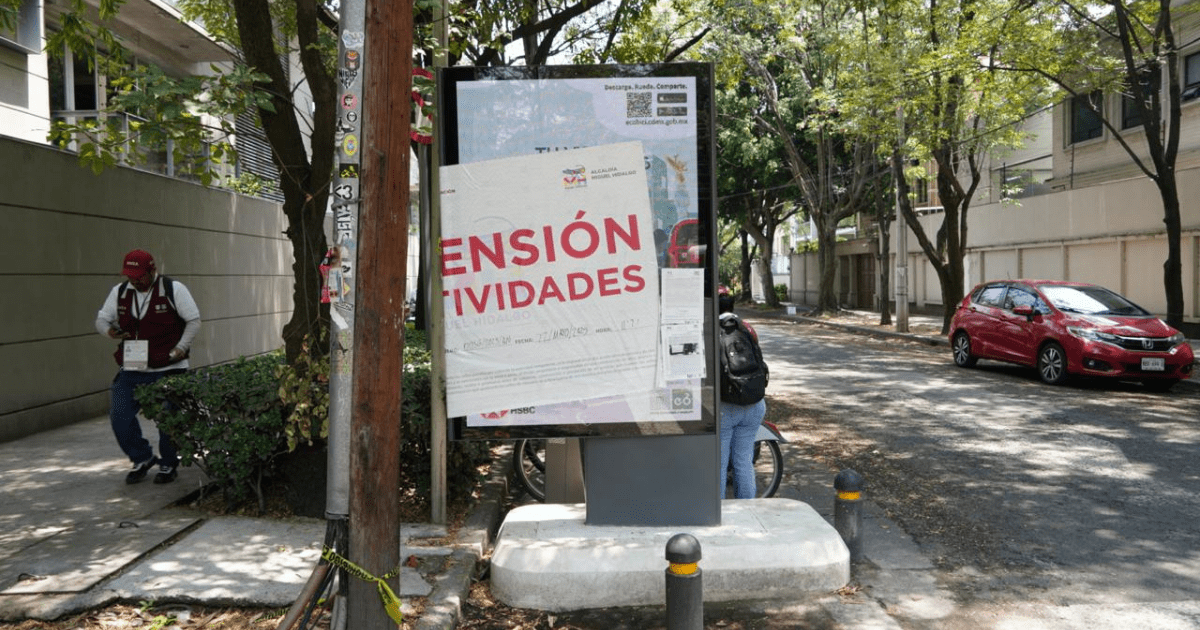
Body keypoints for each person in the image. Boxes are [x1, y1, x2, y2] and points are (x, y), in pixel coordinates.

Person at [95, 250, 201, 484]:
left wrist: (181, 347)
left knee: (168, 419)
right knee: (120, 416)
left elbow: (193, 320)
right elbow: (102, 319)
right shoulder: (120, 292)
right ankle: (142, 458)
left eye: (140, 275)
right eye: (130, 275)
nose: (134, 280)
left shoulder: (173, 289)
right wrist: (110, 331)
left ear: (153, 271)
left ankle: (168, 463)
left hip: (169, 367)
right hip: (133, 367)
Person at [718, 292, 767, 499]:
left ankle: (719, 510)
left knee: (719, 464)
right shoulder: (746, 327)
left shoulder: (711, 331)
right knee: (743, 461)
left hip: (727, 406)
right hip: (755, 403)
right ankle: (747, 509)